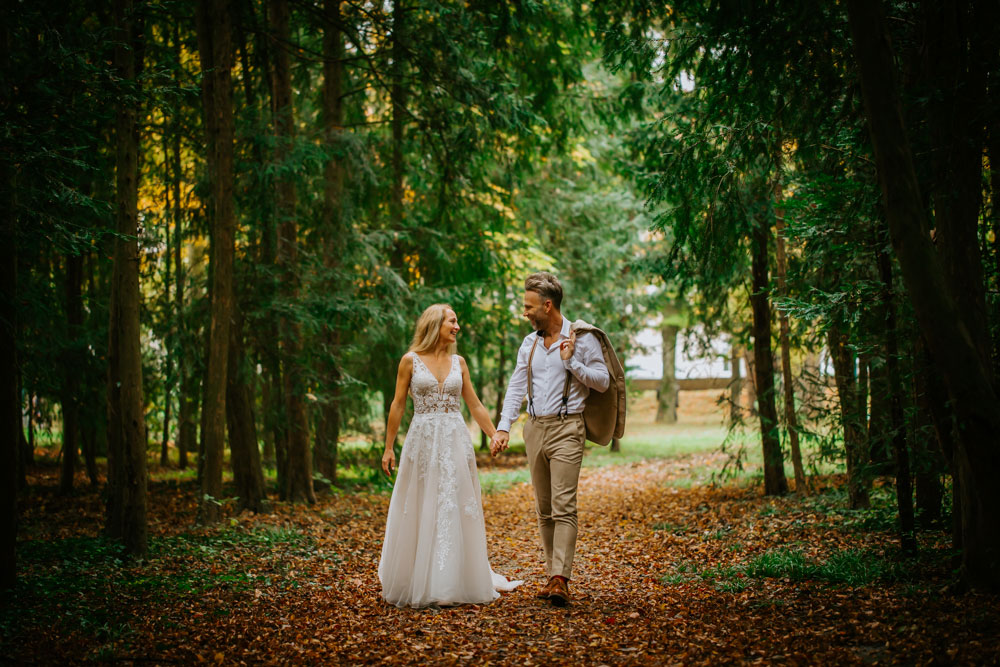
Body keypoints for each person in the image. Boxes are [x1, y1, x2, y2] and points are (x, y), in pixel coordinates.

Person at [378, 304, 522, 608]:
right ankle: (418, 579)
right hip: (422, 442)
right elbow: (398, 405)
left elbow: (475, 405)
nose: (457, 327)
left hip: (455, 441)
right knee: (421, 502)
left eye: (457, 322)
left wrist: (494, 433)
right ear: (435, 324)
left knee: (454, 503)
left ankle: (452, 579)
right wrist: (389, 447)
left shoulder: (460, 362)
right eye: (452, 321)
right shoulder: (410, 361)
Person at [490, 272, 610, 607]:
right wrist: (504, 427)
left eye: (529, 306)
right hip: (535, 429)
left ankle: (561, 578)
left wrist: (572, 364)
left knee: (564, 506)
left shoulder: (581, 338)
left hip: (568, 428)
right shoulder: (528, 343)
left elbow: (602, 381)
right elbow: (516, 387)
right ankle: (551, 574)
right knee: (544, 510)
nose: (524, 312)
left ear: (547, 305)